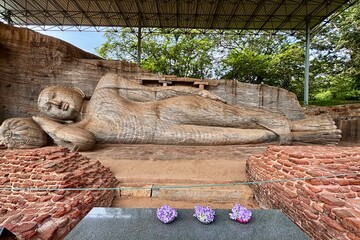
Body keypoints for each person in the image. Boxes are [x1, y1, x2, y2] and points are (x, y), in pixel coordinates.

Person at [1, 73, 341, 151]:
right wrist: (39, 121)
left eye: (55, 97)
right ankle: (308, 134)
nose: (57, 105)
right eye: (51, 109)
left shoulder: (105, 85)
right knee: (247, 136)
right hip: (165, 133)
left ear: (70, 88)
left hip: (170, 110)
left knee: (239, 116)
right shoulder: (85, 129)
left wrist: (198, 93)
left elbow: (151, 91)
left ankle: (314, 128)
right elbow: (83, 142)